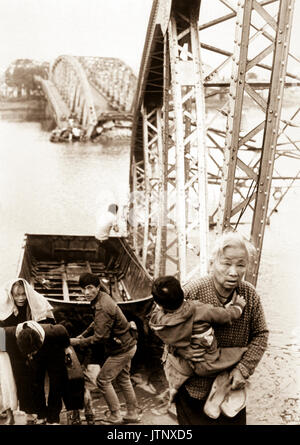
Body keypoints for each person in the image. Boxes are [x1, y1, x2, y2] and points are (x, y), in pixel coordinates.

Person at [174, 231, 269, 425]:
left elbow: (261, 334)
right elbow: (160, 323)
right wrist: (183, 348)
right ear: (212, 263)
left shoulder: (249, 295)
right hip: (194, 389)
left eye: (241, 265)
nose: (234, 272)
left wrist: (244, 369)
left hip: (231, 391)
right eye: (226, 263)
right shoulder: (192, 291)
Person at [149, 275, 248, 407]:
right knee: (236, 353)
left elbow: (155, 315)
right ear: (181, 292)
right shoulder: (199, 310)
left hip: (184, 363)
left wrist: (160, 307)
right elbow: (226, 316)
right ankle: (220, 394)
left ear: (159, 305)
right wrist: (238, 306)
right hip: (206, 361)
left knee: (171, 361)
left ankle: (174, 388)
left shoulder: (160, 322)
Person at [70, 272, 139, 425]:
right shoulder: (101, 297)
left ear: (98, 287)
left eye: (89, 288)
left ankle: (115, 415)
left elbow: (100, 337)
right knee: (123, 379)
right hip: (128, 344)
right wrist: (84, 333)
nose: (86, 293)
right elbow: (97, 323)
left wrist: (76, 342)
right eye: (83, 289)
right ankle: (132, 413)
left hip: (122, 349)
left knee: (102, 380)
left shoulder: (103, 306)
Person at [0, 278, 55, 424]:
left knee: (37, 381)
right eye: (17, 295)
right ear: (11, 294)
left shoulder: (37, 302)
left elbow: (49, 326)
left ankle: (41, 414)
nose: (21, 298)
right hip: (14, 351)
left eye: (23, 294)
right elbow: (0, 335)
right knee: (20, 381)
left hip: (35, 349)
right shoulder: (4, 307)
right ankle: (26, 413)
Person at [5, 320, 72, 425]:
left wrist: (67, 349)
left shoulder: (54, 331)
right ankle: (41, 415)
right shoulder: (10, 333)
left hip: (53, 350)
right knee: (35, 382)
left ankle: (53, 418)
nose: (31, 355)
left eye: (33, 353)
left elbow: (63, 331)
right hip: (35, 358)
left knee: (56, 383)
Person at [0, 327, 18, 425]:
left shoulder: (1, 331)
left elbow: (1, 347)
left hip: (1, 359)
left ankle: (10, 416)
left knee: (6, 386)